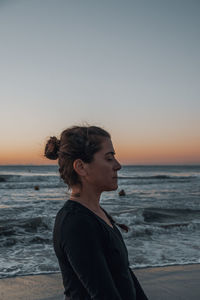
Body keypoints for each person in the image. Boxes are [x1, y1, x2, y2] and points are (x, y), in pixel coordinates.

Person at [44, 125, 148, 300]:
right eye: (109, 158)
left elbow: (125, 275)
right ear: (81, 167)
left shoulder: (97, 213)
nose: (118, 165)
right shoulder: (76, 223)